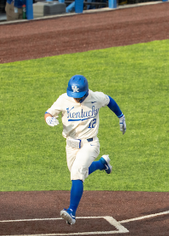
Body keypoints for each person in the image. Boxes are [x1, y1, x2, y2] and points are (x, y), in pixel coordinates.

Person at [44, 74, 126, 225]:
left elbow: (109, 101)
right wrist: (49, 118)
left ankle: (71, 212)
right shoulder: (63, 99)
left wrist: (121, 116)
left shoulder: (96, 97)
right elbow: (49, 112)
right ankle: (102, 163)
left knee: (77, 173)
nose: (76, 98)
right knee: (80, 173)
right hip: (70, 146)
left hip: (90, 144)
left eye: (79, 96)